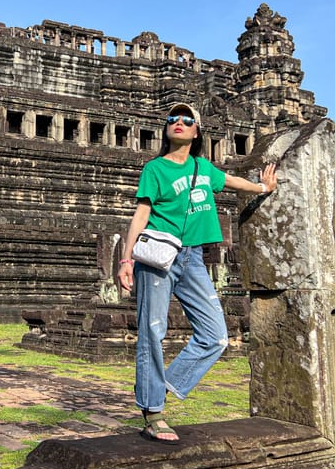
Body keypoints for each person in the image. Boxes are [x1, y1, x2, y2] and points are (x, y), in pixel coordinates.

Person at [117, 102, 277, 441]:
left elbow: (232, 181)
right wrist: (126, 260)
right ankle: (153, 412)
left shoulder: (203, 168)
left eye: (186, 119)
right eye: (172, 119)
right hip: (158, 258)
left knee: (216, 334)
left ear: (196, 131)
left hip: (192, 258)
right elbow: (140, 215)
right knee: (152, 332)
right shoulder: (155, 169)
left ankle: (162, 386)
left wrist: (263, 188)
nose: (178, 123)